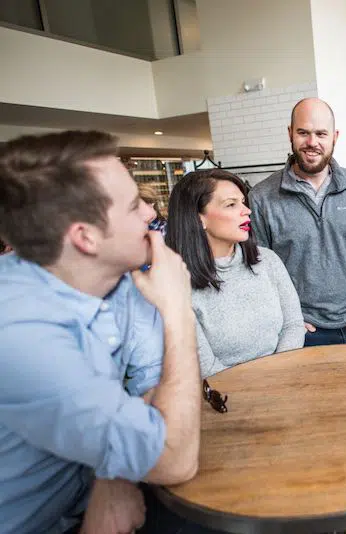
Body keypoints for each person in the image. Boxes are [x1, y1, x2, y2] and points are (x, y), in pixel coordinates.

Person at [0, 131, 200, 533]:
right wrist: (178, 308)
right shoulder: (18, 335)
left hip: (84, 499)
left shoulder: (120, 281)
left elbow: (159, 391)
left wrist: (112, 475)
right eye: (132, 207)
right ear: (85, 238)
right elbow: (174, 456)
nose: (150, 213)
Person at [249, 97, 346, 346]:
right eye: (303, 132)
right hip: (304, 330)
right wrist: (286, 318)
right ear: (290, 133)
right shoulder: (262, 197)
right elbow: (259, 268)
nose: (312, 142)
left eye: (321, 134)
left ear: (334, 136)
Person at [166, 169, 305, 378]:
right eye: (231, 204)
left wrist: (279, 375)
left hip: (285, 381)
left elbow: (293, 325)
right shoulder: (176, 285)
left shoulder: (267, 260)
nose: (247, 211)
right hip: (227, 399)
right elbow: (205, 367)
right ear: (198, 218)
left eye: (243, 201)